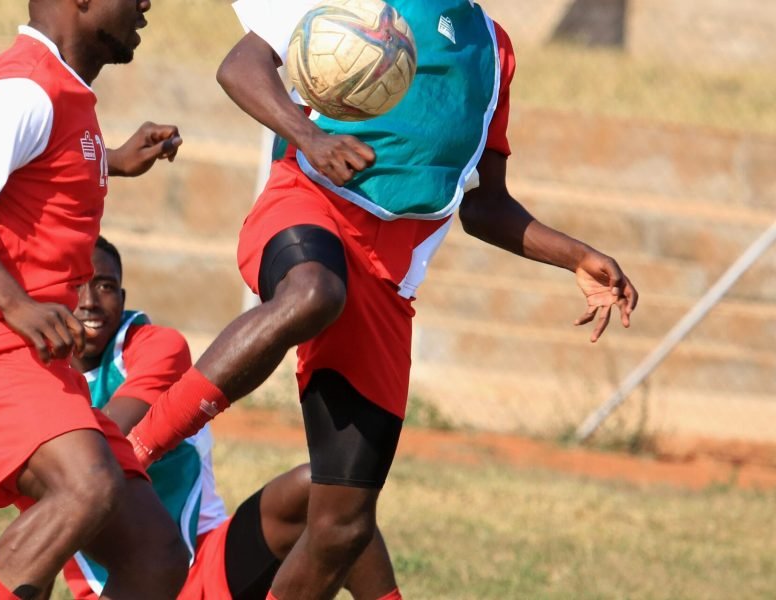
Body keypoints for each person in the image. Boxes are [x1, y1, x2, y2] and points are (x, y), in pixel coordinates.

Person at [125, 2, 641, 599]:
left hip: (388, 283)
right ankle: (134, 450)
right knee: (314, 291)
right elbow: (241, 68)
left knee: (342, 526)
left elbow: (483, 204)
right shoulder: (361, 6)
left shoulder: (493, 51)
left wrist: (575, 255)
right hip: (307, 208)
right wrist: (310, 136)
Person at [0, 238, 393, 600]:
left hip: (202, 564)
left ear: (123, 298)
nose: (89, 301)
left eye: (105, 286)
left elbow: (104, 437)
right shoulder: (30, 368)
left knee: (329, 493)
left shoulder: (152, 347)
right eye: (78, 284)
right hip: (118, 586)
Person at [0, 0, 191, 597]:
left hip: (37, 363)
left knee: (154, 556)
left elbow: (42, 170)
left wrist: (112, 163)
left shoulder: (63, 92)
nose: (146, 4)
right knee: (86, 487)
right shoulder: (25, 87)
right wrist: (16, 305)